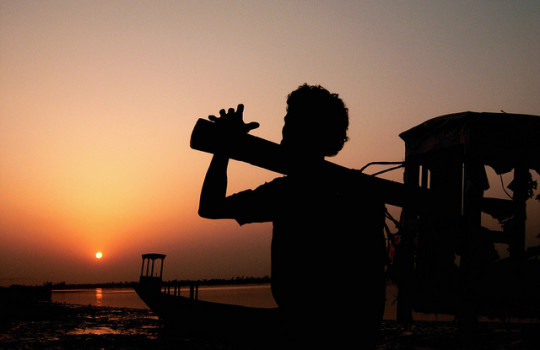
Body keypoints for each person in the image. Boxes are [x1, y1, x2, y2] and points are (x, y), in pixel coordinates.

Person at [198, 84, 386, 348]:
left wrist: (223, 149)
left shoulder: (289, 193)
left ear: (306, 130)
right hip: (356, 332)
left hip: (307, 331)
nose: (283, 131)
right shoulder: (362, 193)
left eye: (289, 122)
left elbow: (210, 207)